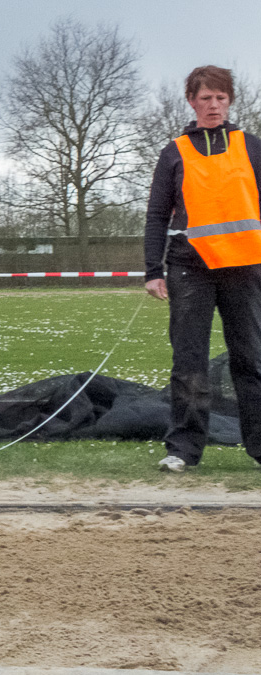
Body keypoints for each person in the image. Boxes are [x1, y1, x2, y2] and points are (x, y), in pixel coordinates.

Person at [144, 65, 261, 472]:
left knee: (251, 360)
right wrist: (152, 270)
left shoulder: (251, 146)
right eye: (206, 98)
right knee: (189, 361)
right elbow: (157, 214)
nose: (213, 105)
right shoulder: (174, 152)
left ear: (230, 101)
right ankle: (183, 450)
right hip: (189, 269)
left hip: (244, 270)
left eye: (221, 98)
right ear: (192, 101)